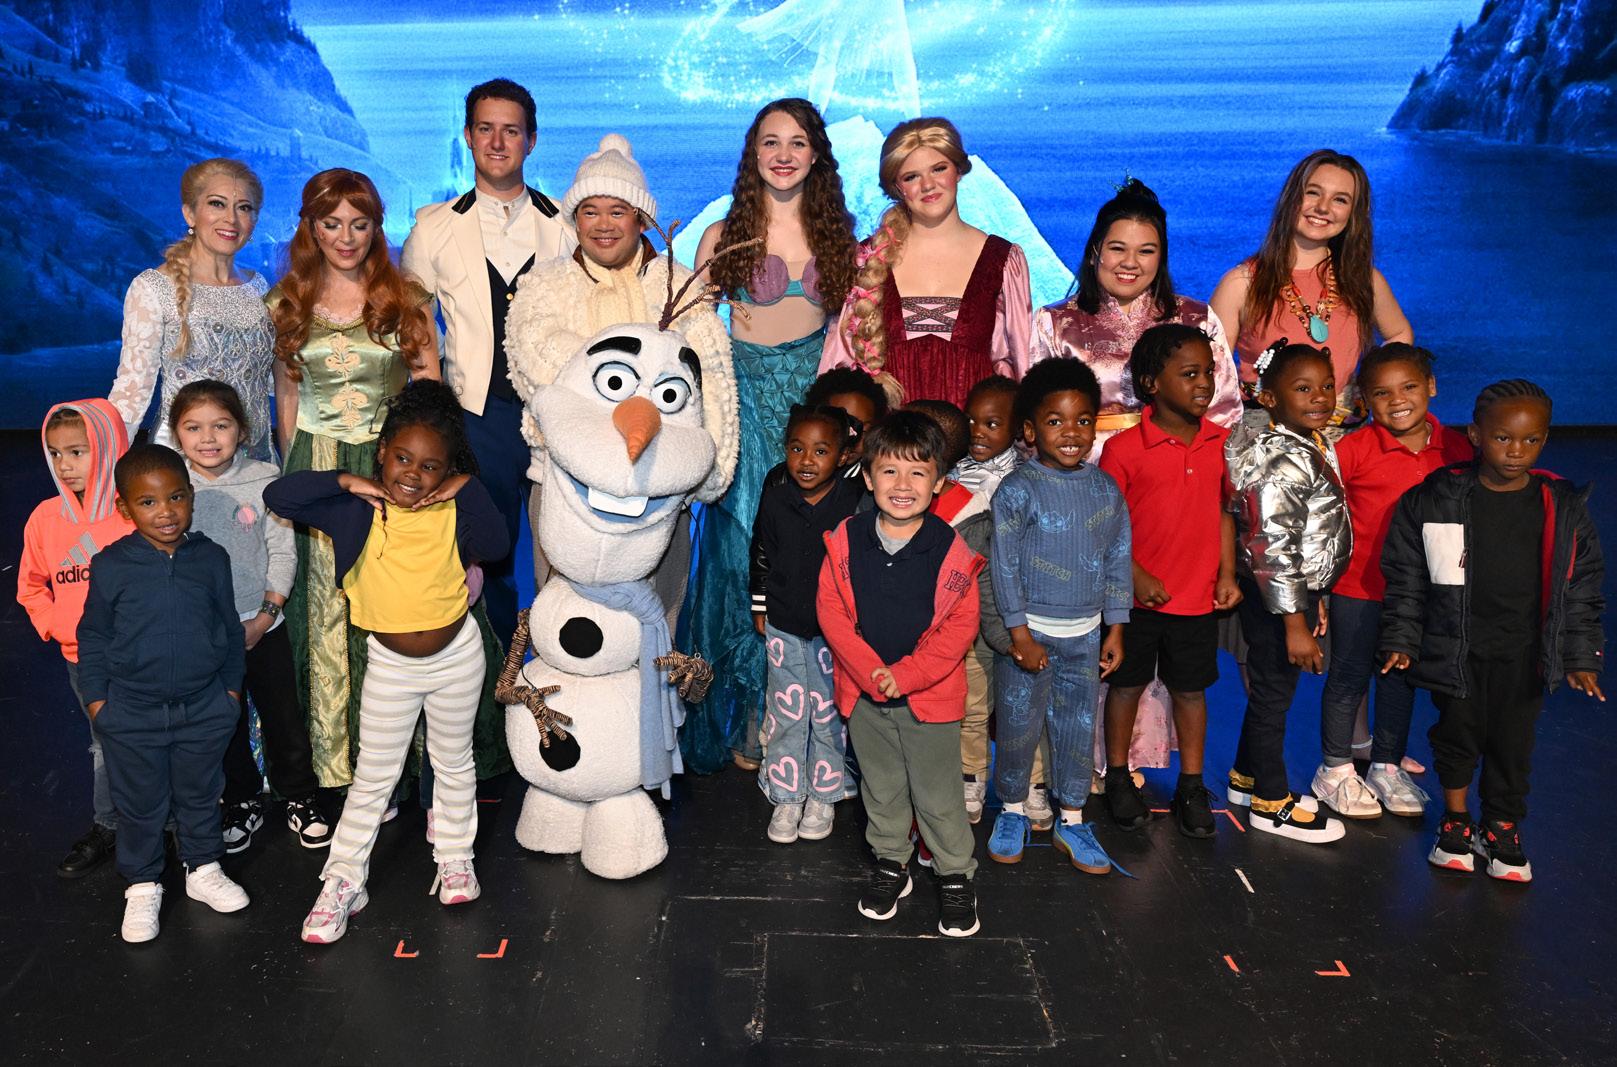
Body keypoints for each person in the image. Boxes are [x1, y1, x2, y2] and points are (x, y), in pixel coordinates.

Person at [264, 380, 510, 943]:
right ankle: (343, 880)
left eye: (430, 466)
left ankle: (455, 858)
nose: (413, 474)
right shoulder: (356, 510)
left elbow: (497, 546)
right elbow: (281, 496)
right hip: (392, 667)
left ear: (447, 470)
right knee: (374, 776)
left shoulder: (454, 507)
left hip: (458, 656)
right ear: (382, 453)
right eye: (403, 458)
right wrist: (346, 480)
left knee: (453, 762)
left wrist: (467, 486)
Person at [1032, 179, 1243, 787]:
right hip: (1079, 488)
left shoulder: (1195, 320)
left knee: (1155, 623)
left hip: (1169, 491)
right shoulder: (1056, 323)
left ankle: (1128, 760)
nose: (1130, 262)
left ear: (1163, 255)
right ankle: (1076, 757)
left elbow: (1224, 411)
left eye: (1146, 250)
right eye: (1117, 248)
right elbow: (1036, 413)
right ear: (1094, 250)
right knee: (1083, 629)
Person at [682, 98, 858, 777]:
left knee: (811, 563)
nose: (783, 154)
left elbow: (853, 336)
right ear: (752, 154)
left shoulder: (839, 238)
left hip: (811, 417)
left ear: (817, 154)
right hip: (744, 407)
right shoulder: (723, 233)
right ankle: (749, 710)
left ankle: (807, 714)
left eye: (797, 142)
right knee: (738, 559)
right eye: (769, 142)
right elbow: (694, 334)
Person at [504, 133, 738, 627]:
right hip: (564, 485)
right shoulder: (545, 286)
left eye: (618, 211)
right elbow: (535, 365)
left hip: (659, 487)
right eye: (590, 211)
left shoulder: (676, 285)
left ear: (641, 218)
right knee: (561, 618)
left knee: (654, 623)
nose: (604, 224)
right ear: (575, 220)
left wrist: (707, 468)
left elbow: (711, 373)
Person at [1381, 380, 1605, 882]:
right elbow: (1407, 576)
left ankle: (1501, 825)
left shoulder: (1560, 505)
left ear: (1545, 440)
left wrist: (1580, 655)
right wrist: (1401, 637)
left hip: (1524, 652)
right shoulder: (1437, 498)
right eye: (1503, 438)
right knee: (1457, 734)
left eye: (1531, 440)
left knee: (1512, 742)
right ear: (1476, 435)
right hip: (1456, 646)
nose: (1516, 450)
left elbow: (1581, 585)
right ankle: (1457, 821)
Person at [268, 167, 440, 789]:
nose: (346, 237)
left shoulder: (405, 298)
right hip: (316, 465)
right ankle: (334, 762)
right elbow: (288, 398)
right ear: (311, 229)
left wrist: (421, 472)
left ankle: (394, 766)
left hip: (388, 464)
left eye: (359, 224)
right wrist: (297, 475)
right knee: (325, 611)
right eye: (332, 223)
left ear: (376, 228)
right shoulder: (286, 303)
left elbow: (429, 390)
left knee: (388, 603)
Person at [401, 78, 574, 650]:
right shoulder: (433, 229)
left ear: (531, 140)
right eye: (485, 129)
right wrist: (436, 417)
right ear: (469, 136)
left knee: (564, 549)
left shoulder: (566, 225)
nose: (497, 142)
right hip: (477, 416)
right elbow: (416, 330)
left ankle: (563, 663)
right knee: (485, 553)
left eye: (511, 131)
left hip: (556, 414)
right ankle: (497, 671)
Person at [818, 412, 985, 936]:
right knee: (882, 788)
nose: (903, 484)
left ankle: (955, 874)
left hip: (928, 700)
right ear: (868, 478)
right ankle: (892, 861)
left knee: (938, 794)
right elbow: (832, 613)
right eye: (889, 471)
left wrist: (907, 675)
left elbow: (959, 628)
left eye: (918, 472)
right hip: (865, 697)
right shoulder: (846, 540)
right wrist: (871, 672)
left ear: (939, 483)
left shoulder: (952, 551)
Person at [76, 444, 249, 943]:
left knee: (201, 794)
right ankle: (143, 883)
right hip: (131, 713)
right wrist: (99, 703)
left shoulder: (211, 558)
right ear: (125, 508)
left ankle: (203, 867)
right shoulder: (110, 565)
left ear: (191, 496)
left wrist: (229, 695)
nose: (166, 512)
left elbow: (229, 629)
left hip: (204, 708)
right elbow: (94, 636)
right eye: (148, 502)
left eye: (175, 497)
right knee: (140, 804)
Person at [168, 380, 330, 850]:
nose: (208, 438)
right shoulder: (173, 487)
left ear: (241, 430)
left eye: (220, 425)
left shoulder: (265, 478)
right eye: (193, 427)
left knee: (283, 716)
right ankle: (242, 800)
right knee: (227, 722)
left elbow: (282, 552)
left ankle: (299, 795)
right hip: (204, 634)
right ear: (177, 434)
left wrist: (264, 616)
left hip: (263, 625)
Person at [1314, 344, 1471, 820]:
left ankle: (1386, 765)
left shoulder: (1457, 450)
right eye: (1381, 393)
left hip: (1423, 593)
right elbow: (1323, 520)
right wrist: (1317, 588)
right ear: (1364, 399)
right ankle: (1335, 770)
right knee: (1348, 677)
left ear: (1431, 387)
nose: (1397, 400)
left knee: (1401, 678)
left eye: (1409, 387)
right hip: (1359, 587)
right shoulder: (1351, 451)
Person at [986, 358, 1131, 874]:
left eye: (1083, 420)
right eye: (1055, 421)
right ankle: (1011, 811)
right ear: (1030, 431)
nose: (1071, 432)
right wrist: (1019, 635)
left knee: (1076, 729)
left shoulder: (1106, 490)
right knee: (1018, 728)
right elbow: (1003, 567)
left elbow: (1117, 559)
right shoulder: (1017, 490)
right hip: (1029, 638)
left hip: (1086, 637)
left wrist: (1115, 627)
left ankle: (1072, 819)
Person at [1097, 325, 1242, 837]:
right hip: (1134, 601)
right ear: (1151, 383)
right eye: (1189, 374)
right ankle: (1118, 778)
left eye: (1209, 372)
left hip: (1196, 599)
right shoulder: (1123, 449)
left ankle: (1191, 786)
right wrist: (1134, 575)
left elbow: (1225, 514)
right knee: (1125, 687)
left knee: (1191, 692)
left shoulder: (1223, 444)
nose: (1204, 383)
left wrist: (1226, 574)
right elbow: (1107, 525)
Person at [1224, 342, 1350, 843]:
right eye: (1303, 388)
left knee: (1272, 691)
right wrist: (1295, 624)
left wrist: (1316, 597)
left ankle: (1245, 776)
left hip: (1295, 595)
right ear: (1270, 398)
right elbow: (1273, 548)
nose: (1320, 397)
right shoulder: (1280, 460)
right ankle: (1270, 802)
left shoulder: (1306, 441)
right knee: (1273, 695)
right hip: (1279, 601)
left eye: (1326, 386)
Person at [820, 117, 1030, 408]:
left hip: (974, 434)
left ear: (958, 170)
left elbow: (1018, 366)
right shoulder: (867, 258)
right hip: (891, 434)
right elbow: (839, 369)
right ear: (896, 187)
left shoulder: (1003, 260)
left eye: (939, 168)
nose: (928, 185)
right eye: (911, 177)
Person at [1209, 150, 1413, 431]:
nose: (1323, 207)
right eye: (1313, 193)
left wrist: (1370, 387)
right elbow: (1212, 371)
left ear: (1353, 214)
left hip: (1345, 434)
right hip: (1265, 435)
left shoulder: (1364, 279)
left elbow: (1399, 334)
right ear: (1291, 197)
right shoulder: (1241, 283)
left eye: (1340, 199)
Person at [18, 400, 132, 877]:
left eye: (78, 452)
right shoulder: (45, 518)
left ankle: (169, 827)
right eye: (55, 454)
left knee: (153, 739)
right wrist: (58, 625)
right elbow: (30, 587)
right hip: (83, 660)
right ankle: (108, 825)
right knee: (104, 741)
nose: (65, 465)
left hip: (138, 656)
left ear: (107, 448)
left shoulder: (132, 512)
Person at [109, 158, 276, 461]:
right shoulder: (153, 288)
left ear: (255, 219)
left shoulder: (259, 287)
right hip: (180, 465)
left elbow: (269, 381)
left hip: (255, 463)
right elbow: (132, 392)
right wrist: (106, 467)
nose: (231, 219)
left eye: (244, 208)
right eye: (217, 204)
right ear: (189, 213)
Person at [751, 404, 864, 843]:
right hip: (783, 623)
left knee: (829, 711)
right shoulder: (776, 497)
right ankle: (786, 792)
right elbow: (761, 552)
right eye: (797, 449)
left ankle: (824, 792)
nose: (807, 461)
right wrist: (760, 606)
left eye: (820, 451)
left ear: (843, 455)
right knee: (787, 711)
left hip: (834, 632)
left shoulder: (855, 501)